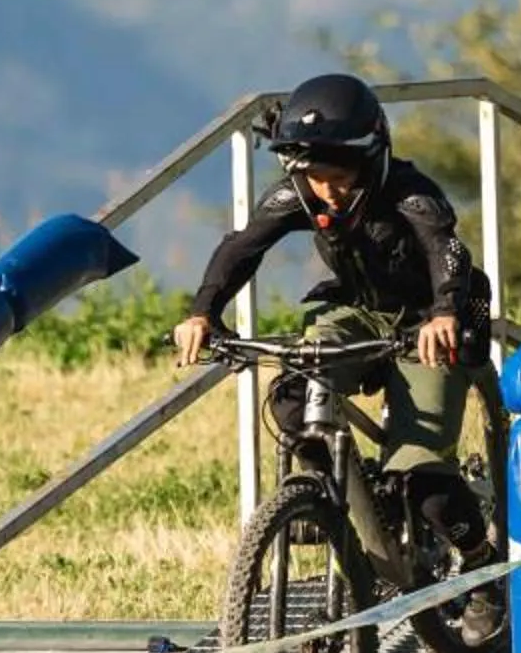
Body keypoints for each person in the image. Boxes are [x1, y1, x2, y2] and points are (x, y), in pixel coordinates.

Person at [171, 73, 503, 591]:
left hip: (429, 321)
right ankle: (325, 496)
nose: (325, 191)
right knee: (290, 394)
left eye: (337, 176)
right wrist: (203, 313)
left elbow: (447, 251)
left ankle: (482, 567)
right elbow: (242, 248)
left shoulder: (411, 193)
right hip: (358, 311)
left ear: (370, 157)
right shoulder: (301, 193)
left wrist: (444, 313)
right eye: (312, 176)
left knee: (424, 480)